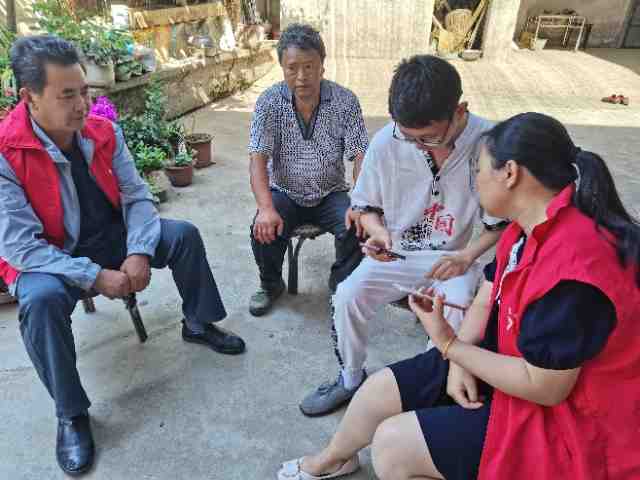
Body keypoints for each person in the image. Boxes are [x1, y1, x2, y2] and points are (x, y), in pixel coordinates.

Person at [277, 112, 640, 480]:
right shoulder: (527, 226)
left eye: (478, 170)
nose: (475, 181)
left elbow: (545, 388)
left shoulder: (576, 267)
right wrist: (459, 360)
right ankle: (335, 458)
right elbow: (488, 292)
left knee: (392, 447)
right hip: (512, 360)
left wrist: (450, 346)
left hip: (567, 418)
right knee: (380, 389)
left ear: (510, 173)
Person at [0, 35, 246, 476]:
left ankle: (198, 322)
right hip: (50, 256)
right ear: (29, 97)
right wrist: (95, 276)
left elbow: (137, 197)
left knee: (183, 236)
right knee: (39, 300)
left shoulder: (102, 131)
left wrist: (138, 251)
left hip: (111, 236)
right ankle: (71, 413)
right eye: (67, 95)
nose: (82, 105)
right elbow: (20, 246)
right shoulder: (5, 152)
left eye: (84, 91)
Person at [299, 55, 506, 417]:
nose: (419, 146)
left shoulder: (491, 144)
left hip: (455, 259)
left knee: (457, 309)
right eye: (409, 137)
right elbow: (364, 206)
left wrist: (468, 256)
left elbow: (500, 224)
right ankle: (350, 378)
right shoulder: (387, 141)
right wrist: (379, 233)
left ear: (460, 111)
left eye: (429, 137)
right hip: (399, 253)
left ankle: (430, 388)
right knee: (347, 295)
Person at [248, 23, 369, 316]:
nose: (301, 76)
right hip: (285, 192)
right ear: (282, 68)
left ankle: (341, 286)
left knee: (360, 226)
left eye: (309, 66)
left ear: (322, 66)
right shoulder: (269, 102)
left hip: (331, 193)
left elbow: (360, 155)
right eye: (292, 68)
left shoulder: (345, 101)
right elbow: (257, 158)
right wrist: (265, 208)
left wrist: (362, 203)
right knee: (262, 228)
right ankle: (271, 284)